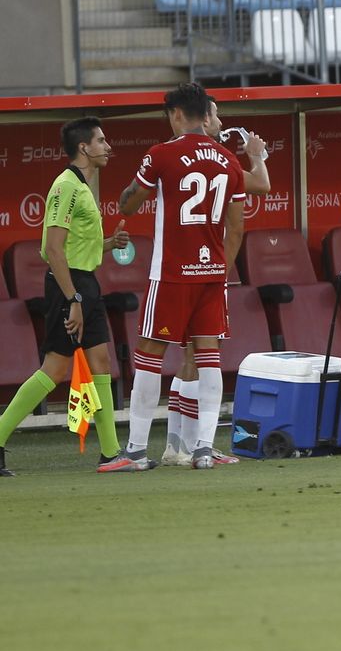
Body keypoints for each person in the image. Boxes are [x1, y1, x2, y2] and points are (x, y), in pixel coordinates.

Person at [99, 83, 247, 473]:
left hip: (170, 274)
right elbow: (237, 228)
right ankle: (203, 449)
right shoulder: (229, 161)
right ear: (205, 114)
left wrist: (132, 192)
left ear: (177, 114)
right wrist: (220, 269)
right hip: (212, 274)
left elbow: (128, 203)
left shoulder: (162, 154)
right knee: (209, 357)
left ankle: (134, 452)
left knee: (149, 356)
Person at [0, 118, 129, 477]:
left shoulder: (82, 184)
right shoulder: (66, 186)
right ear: (84, 148)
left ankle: (110, 454)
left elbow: (74, 247)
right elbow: (54, 250)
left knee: (100, 361)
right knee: (55, 368)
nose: (107, 146)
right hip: (68, 287)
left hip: (83, 284)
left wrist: (108, 245)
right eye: (101, 141)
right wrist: (73, 300)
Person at [163, 94, 271, 467]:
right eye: (216, 114)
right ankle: (192, 446)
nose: (221, 120)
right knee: (199, 357)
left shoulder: (178, 155)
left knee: (188, 356)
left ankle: (178, 444)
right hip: (205, 270)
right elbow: (261, 187)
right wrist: (256, 154)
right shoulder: (220, 160)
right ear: (203, 119)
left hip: (177, 269)